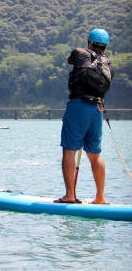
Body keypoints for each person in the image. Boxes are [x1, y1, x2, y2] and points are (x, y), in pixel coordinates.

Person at [56, 28, 114, 204]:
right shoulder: (109, 65)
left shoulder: (80, 53)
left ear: (89, 42)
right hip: (97, 109)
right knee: (95, 154)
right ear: (105, 46)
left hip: (79, 105)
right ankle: (100, 197)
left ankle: (70, 195)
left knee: (69, 150)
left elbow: (70, 62)